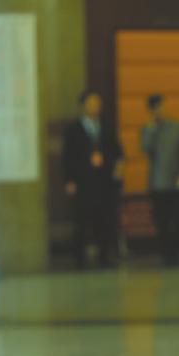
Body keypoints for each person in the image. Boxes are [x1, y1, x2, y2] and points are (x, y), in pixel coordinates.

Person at [62, 91, 124, 268]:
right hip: (83, 181)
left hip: (104, 181)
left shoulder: (106, 126)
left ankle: (105, 255)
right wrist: (69, 180)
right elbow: (67, 157)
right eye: (91, 103)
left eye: (97, 103)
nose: (95, 107)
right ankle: (79, 258)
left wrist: (116, 170)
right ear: (82, 106)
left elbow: (117, 152)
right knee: (81, 220)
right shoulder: (73, 129)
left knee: (105, 219)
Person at [140, 94, 179, 265]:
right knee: (161, 220)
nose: (159, 111)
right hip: (158, 182)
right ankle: (165, 253)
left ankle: (178, 252)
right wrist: (151, 129)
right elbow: (145, 149)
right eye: (155, 108)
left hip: (176, 181)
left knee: (177, 218)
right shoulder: (148, 129)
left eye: (161, 106)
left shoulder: (178, 128)